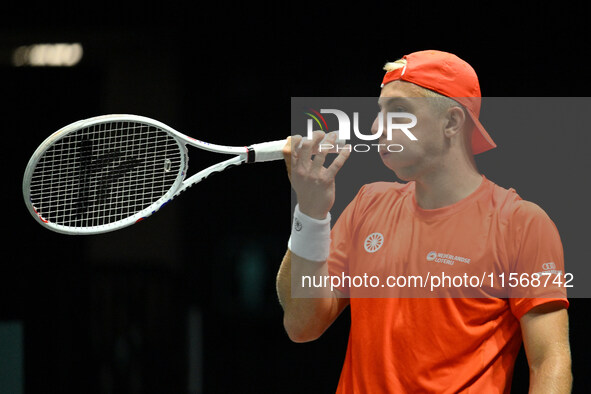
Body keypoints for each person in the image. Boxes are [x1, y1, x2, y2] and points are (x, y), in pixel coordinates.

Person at [276, 50, 572, 393]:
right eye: (379, 111)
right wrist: (310, 214)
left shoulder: (522, 223)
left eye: (398, 112)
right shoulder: (367, 204)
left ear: (451, 122)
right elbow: (301, 325)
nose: (375, 127)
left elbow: (551, 360)